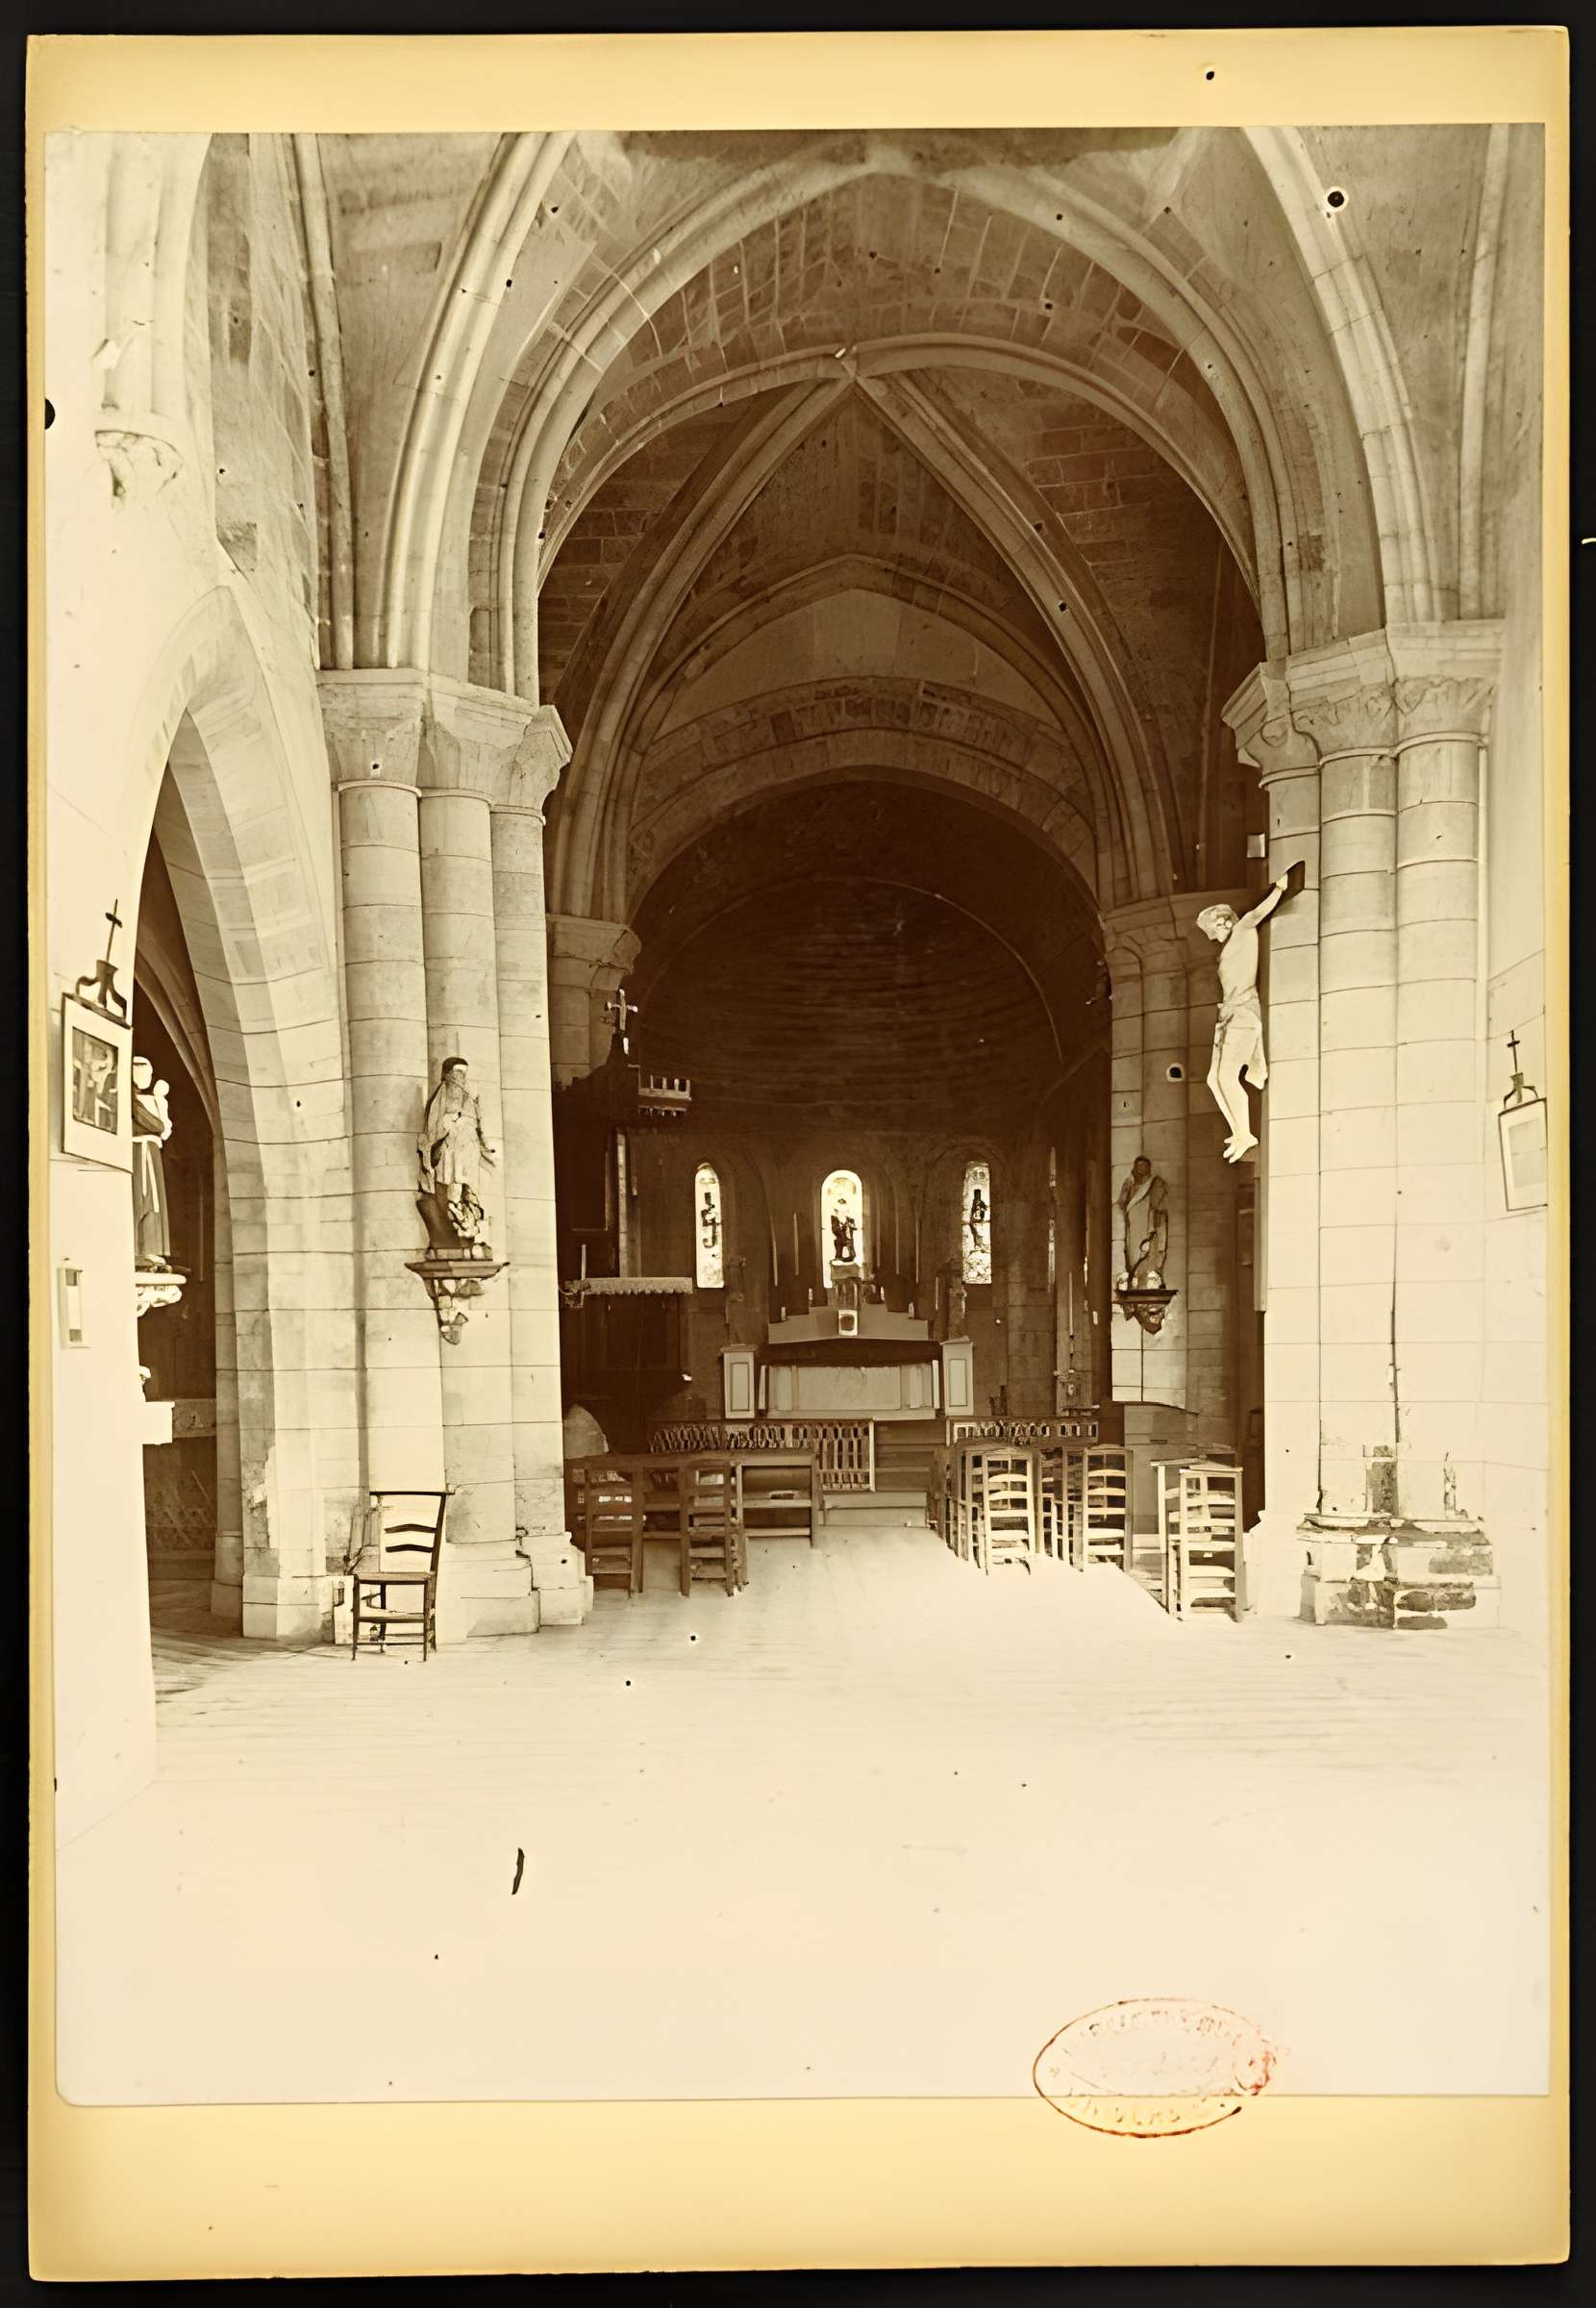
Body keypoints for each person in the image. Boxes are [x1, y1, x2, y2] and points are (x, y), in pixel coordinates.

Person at [1197, 874, 1291, 1162]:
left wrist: (1280, 887)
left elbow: (1256, 914)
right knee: (1213, 1079)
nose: (1212, 937)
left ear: (1223, 921)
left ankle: (1245, 1133)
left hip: (1242, 1013)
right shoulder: (1231, 944)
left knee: (1226, 1075)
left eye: (1212, 929)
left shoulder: (1242, 930)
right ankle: (1239, 1131)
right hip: (1229, 1016)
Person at [418, 1057, 496, 1247]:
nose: (461, 1078)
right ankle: (455, 1221)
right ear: (448, 1074)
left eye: (464, 1073)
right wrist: (451, 1124)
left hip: (469, 1150)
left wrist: (485, 1147)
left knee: (469, 1188)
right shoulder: (443, 1094)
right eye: (458, 1072)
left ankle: (469, 1223)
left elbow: (479, 1127)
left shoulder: (470, 1099)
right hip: (450, 1150)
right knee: (452, 1184)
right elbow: (434, 1125)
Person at [131, 1054, 173, 1267]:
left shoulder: (150, 1100)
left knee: (154, 1198)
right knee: (144, 1196)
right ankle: (142, 1248)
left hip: (151, 1150)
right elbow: (157, 1126)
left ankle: (152, 1248)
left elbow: (164, 1130)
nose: (148, 1077)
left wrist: (160, 1101)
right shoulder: (132, 1099)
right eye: (144, 1072)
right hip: (140, 1149)